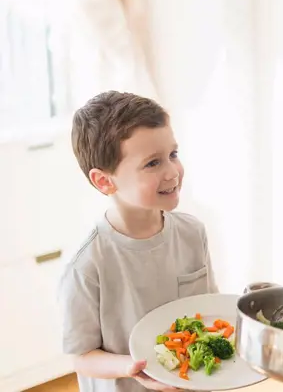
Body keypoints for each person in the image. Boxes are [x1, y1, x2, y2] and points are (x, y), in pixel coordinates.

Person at [59, 91, 218, 392]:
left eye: (173, 154)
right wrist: (131, 367)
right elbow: (81, 356)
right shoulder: (85, 264)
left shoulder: (193, 233)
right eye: (152, 163)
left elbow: (210, 308)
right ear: (104, 181)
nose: (173, 171)